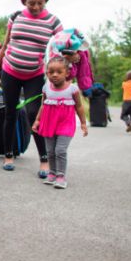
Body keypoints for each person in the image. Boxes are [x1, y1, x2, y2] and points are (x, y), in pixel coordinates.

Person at [0, 0, 63, 176]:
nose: (36, 7)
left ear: (45, 2)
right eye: (31, 3)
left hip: (35, 74)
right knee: (10, 113)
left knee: (34, 114)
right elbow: (6, 44)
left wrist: (72, 55)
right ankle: (8, 154)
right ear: (25, 1)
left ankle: (44, 160)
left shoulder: (53, 22)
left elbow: (62, 45)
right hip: (10, 71)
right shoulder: (15, 17)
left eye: (40, 3)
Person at [31, 56, 88, 189]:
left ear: (67, 73)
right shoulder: (46, 88)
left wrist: (83, 123)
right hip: (49, 123)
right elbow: (43, 105)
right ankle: (52, 173)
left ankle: (61, 176)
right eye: (51, 72)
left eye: (59, 72)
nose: (54, 75)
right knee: (50, 151)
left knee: (60, 150)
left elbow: (79, 106)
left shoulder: (72, 89)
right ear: (47, 73)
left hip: (66, 124)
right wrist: (37, 120)